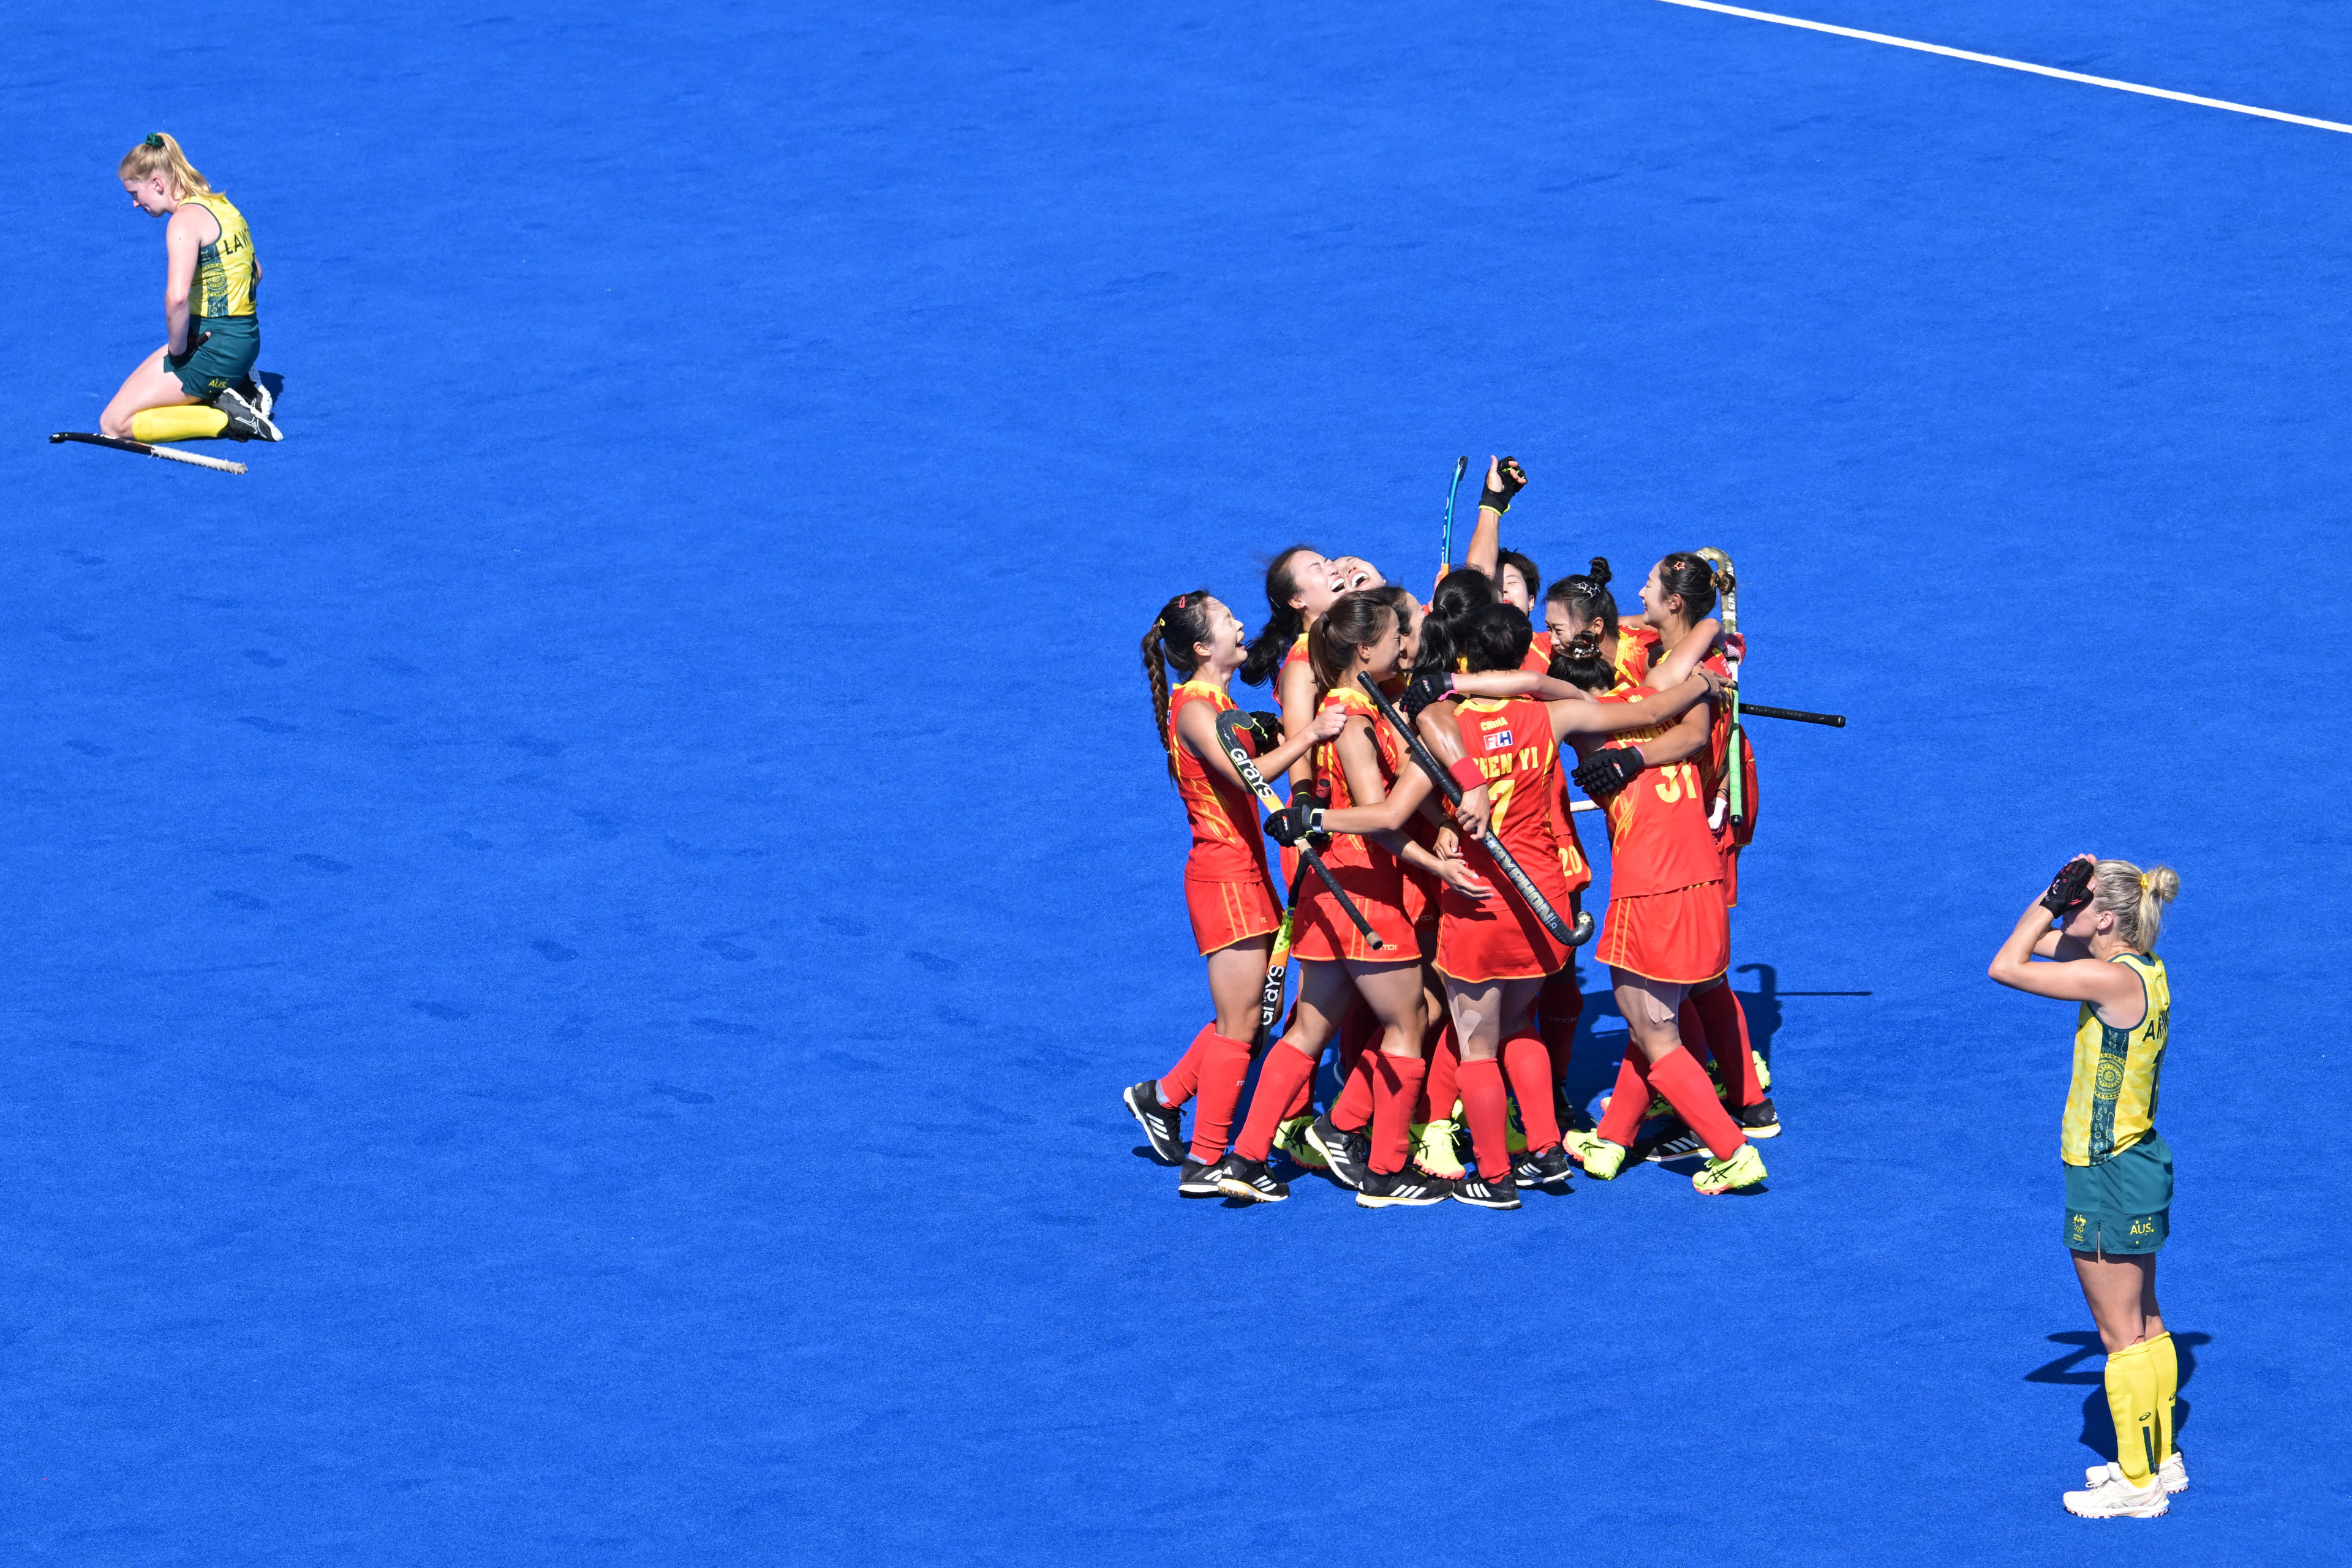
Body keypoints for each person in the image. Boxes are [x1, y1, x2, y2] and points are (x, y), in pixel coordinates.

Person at [1409, 606, 1728, 1207]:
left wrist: (1439, 827)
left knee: (1477, 1045)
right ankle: (1548, 1149)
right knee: (1522, 1023)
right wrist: (1704, 684)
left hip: (1479, 902)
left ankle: (1497, 1175)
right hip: (1544, 902)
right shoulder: (1555, 714)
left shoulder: (1442, 724)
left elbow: (1402, 795)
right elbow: (1652, 713)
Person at [1219, 592, 1487, 1207]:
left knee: (1311, 1026)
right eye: (1397, 635)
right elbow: (1384, 815)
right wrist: (1322, 817)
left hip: (1328, 889)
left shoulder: (1356, 706)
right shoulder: (1356, 716)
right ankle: (1386, 1170)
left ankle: (1246, 1154)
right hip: (1363, 890)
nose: (1405, 644)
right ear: (1366, 650)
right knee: (1410, 1018)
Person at [1125, 592, 1346, 1197]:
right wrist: (1312, 733)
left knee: (1256, 1013)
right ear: (1202, 647)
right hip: (1224, 878)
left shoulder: (1221, 702)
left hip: (1245, 872)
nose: (1239, 622)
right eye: (1226, 619)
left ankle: (1163, 1097)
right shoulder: (1195, 707)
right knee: (1240, 1025)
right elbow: (1249, 776)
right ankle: (1206, 1157)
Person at [1988, 855, 2184, 1519]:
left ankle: (2138, 1484)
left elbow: (2008, 963)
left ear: (2106, 919)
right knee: (2147, 1320)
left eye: (2083, 902)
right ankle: (2160, 1456)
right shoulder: (2143, 971)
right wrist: (2060, 902)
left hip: (2104, 1171)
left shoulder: (2103, 977)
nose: (2071, 908)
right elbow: (2041, 944)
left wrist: (2048, 897)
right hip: (2141, 1162)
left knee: (2117, 1331)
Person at [1551, 633, 1768, 1195]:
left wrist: (1459, 682)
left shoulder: (1580, 715)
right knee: (1652, 1023)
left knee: (1654, 1029)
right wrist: (1707, 671)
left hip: (1647, 888)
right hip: (1702, 880)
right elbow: (1686, 661)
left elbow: (1530, 685)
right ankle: (1614, 1138)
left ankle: (1732, 1150)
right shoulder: (1655, 695)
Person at [103, 134, 279, 444]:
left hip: (214, 347)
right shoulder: (223, 206)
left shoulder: (183, 221)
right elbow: (257, 273)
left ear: (157, 184)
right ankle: (236, 385)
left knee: (114, 423)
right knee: (127, 395)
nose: (134, 203)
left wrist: (180, 351)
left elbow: (177, 298)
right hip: (246, 340)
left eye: (135, 192)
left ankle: (229, 418)